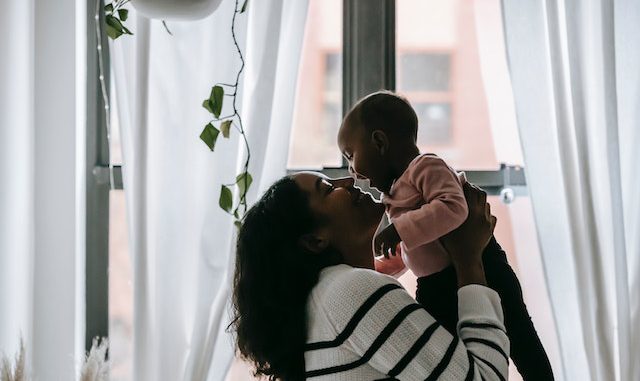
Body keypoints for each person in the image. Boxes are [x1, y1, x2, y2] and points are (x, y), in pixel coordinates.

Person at [337, 90, 554, 380]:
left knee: (520, 336)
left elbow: (453, 209)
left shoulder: (425, 167)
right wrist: (396, 263)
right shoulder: (395, 191)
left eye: (351, 156)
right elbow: (426, 239)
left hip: (486, 268)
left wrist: (399, 229)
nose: (352, 171)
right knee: (442, 355)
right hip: (436, 284)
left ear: (379, 142)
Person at [230, 173, 509, 380]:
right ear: (315, 241)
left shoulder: (323, 300)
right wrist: (469, 260)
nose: (348, 181)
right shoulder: (351, 291)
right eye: (328, 189)